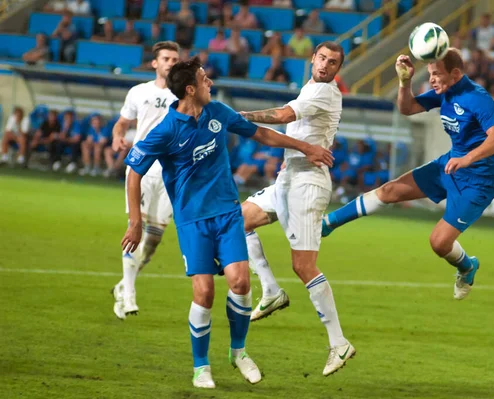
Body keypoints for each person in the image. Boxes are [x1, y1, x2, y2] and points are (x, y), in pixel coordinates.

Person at [120, 57, 333, 388]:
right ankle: (201, 366)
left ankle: (238, 352)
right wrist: (136, 221)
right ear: (190, 89)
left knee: (241, 283)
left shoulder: (217, 112)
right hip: (192, 221)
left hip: (228, 214)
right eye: (205, 80)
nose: (211, 83)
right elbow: (134, 171)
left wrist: (305, 147)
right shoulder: (165, 130)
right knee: (204, 293)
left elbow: (261, 133)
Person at [322, 48, 494, 301]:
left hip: (478, 181)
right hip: (449, 166)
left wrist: (467, 158)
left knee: (439, 243)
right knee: (388, 190)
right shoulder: (446, 91)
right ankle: (328, 223)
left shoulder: (478, 97)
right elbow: (407, 108)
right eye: (429, 73)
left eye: (436, 74)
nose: (431, 79)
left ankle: (467, 266)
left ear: (454, 74)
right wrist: (404, 81)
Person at [238, 42, 356, 376]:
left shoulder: (326, 93)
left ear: (337, 69)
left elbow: (283, 116)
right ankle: (271, 290)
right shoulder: (310, 87)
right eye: (322, 58)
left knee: (304, 266)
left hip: (308, 184)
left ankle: (339, 343)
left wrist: (241, 118)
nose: (326, 65)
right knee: (237, 221)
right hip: (288, 179)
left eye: (333, 62)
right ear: (312, 59)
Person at [110, 41, 181, 320]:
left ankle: (123, 285)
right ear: (155, 63)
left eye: (175, 59)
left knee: (153, 242)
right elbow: (123, 121)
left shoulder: (185, 96)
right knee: (134, 230)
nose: (170, 63)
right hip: (142, 170)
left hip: (170, 173)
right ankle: (128, 296)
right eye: (166, 58)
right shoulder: (139, 92)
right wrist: (118, 135)